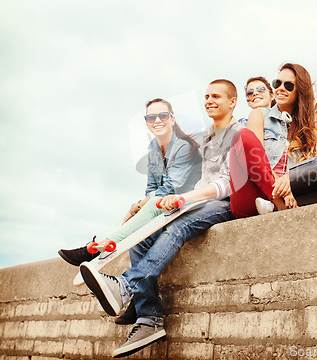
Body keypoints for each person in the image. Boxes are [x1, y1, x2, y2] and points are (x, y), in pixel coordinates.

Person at [79, 79, 242, 358]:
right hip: (199, 200)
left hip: (224, 204)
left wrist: (185, 198)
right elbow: (195, 178)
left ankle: (127, 285)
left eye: (216, 96)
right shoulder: (207, 136)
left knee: (176, 227)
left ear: (232, 101)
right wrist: (172, 201)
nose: (209, 101)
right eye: (206, 96)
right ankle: (149, 319)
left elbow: (229, 184)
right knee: (144, 236)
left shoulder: (238, 133)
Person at [58, 99, 202, 266]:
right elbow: (151, 189)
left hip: (188, 203)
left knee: (154, 203)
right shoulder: (153, 151)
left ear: (172, 119)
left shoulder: (183, 146)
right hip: (164, 208)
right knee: (147, 215)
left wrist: (136, 207)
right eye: (151, 117)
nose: (157, 121)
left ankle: (103, 245)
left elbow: (172, 187)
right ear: (146, 122)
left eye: (162, 116)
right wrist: (139, 207)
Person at [229, 63, 317, 217]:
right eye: (278, 83)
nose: (281, 88)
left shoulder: (308, 132)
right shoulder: (259, 114)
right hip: (254, 193)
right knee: (243, 136)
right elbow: (257, 162)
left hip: (291, 196)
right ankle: (278, 205)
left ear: (300, 92)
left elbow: (309, 168)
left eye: (289, 85)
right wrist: (280, 195)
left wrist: (290, 179)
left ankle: (275, 205)